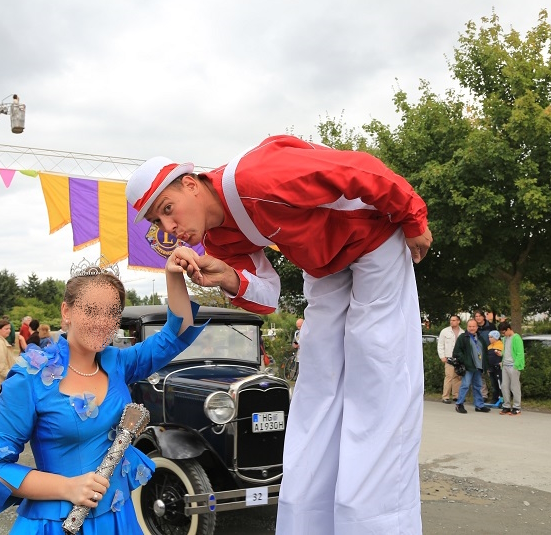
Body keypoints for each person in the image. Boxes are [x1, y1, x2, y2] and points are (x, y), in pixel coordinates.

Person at [126, 135, 432, 534]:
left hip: (373, 240)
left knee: (376, 366)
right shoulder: (219, 237)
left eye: (167, 210)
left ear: (190, 184)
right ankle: (309, 518)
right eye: (157, 223)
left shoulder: (255, 176)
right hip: (323, 267)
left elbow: (359, 169)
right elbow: (268, 295)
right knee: (317, 383)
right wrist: (232, 279)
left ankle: (377, 521)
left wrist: (413, 220)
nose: (169, 228)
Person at [0, 252, 202, 533]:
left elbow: (177, 333)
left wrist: (172, 274)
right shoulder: (28, 378)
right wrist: (68, 486)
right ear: (66, 312)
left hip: (118, 519)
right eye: (90, 310)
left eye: (112, 313)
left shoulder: (119, 363)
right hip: (60, 522)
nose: (102, 322)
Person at [452, 319, 490, 414]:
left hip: (478, 366)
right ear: (467, 327)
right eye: (470, 326)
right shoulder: (463, 337)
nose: (472, 328)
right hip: (468, 366)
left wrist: (485, 365)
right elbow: (456, 352)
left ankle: (479, 405)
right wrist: (465, 360)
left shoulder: (480, 338)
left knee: (478, 386)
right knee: (465, 385)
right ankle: (459, 404)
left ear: (477, 327)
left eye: (473, 326)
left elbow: (485, 352)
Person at [498, 322, 525, 415]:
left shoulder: (516, 338)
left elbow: (520, 353)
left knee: (515, 387)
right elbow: (506, 351)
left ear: (509, 329)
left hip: (513, 365)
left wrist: (516, 366)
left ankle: (517, 407)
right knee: (504, 386)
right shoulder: (505, 339)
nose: (503, 334)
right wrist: (500, 354)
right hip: (505, 365)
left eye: (504, 332)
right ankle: (506, 406)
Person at [437, 315, 464, 403]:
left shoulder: (462, 332)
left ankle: (456, 395)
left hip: (458, 358)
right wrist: (442, 356)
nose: (452, 322)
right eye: (451, 320)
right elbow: (440, 344)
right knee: (449, 376)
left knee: (457, 377)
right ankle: (445, 396)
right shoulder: (445, 331)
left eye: (454, 320)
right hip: (448, 357)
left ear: (458, 321)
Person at [486, 330, 504, 407]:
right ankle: (495, 398)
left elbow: (504, 356)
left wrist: (501, 363)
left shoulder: (501, 345)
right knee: (494, 384)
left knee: (500, 383)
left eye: (491, 337)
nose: (489, 339)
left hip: (498, 368)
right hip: (491, 368)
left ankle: (502, 399)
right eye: (489, 337)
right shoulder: (489, 346)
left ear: (496, 337)